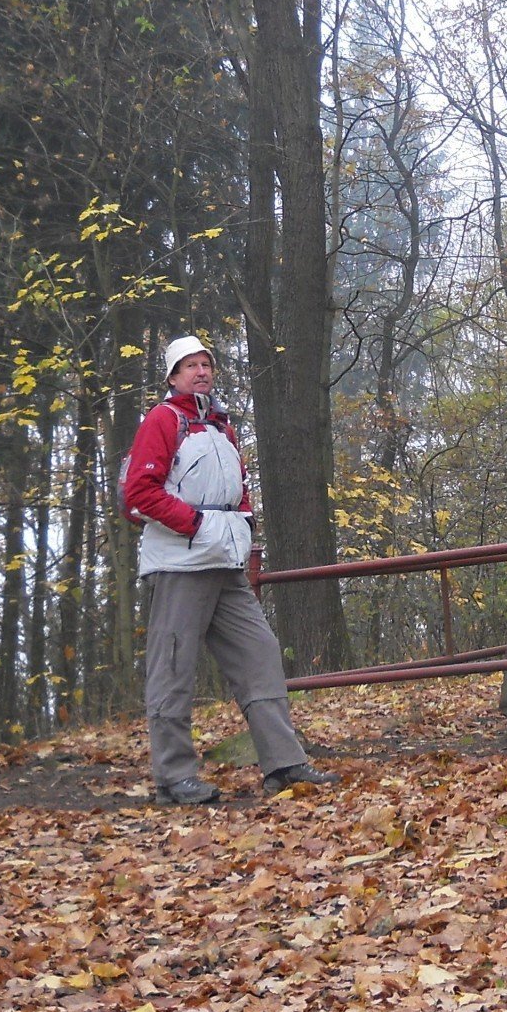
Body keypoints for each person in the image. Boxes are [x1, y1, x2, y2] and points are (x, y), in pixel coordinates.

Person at [123, 334, 338, 803]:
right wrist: (196, 524)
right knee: (173, 668)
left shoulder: (221, 427)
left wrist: (242, 522)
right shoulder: (162, 420)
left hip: (224, 562)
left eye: (207, 364)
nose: (201, 371)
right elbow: (140, 492)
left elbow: (236, 488)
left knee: (260, 654)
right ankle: (174, 778)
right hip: (180, 564)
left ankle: (283, 763)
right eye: (191, 365)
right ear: (173, 376)